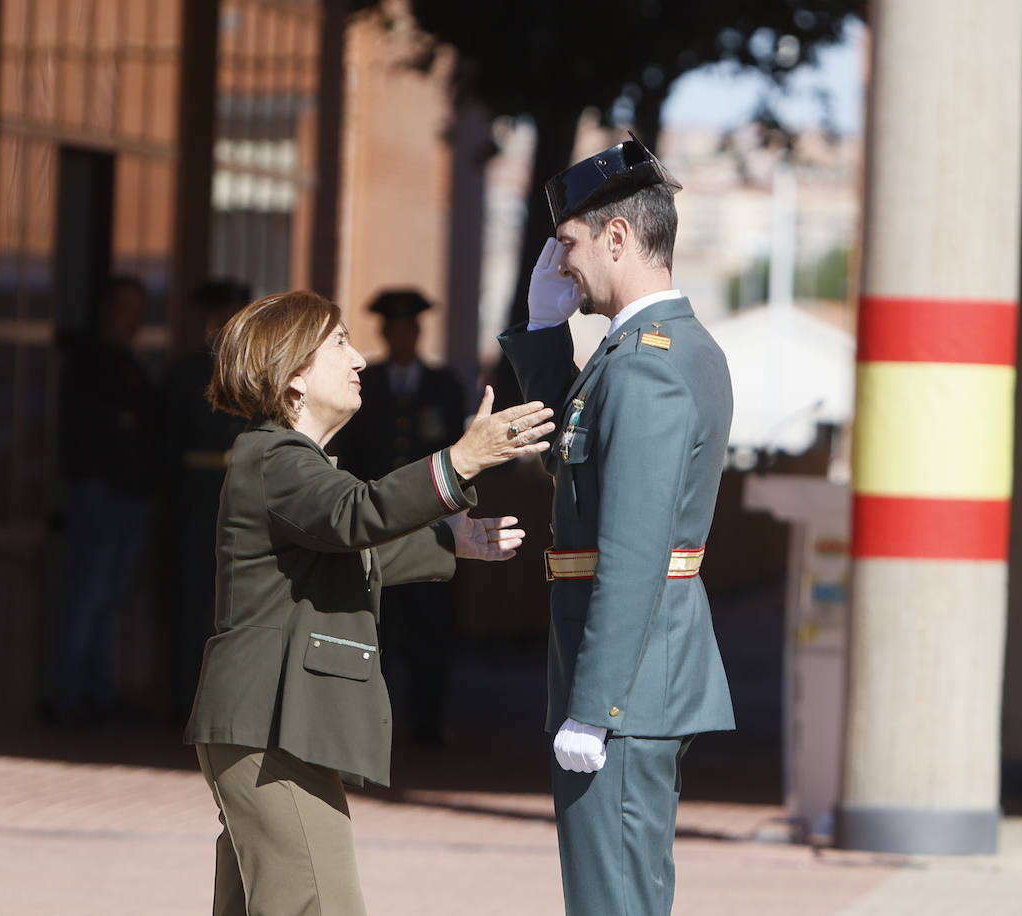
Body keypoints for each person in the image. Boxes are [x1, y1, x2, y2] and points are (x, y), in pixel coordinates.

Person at [184, 289, 554, 916]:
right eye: (338, 344)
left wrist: (449, 540)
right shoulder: (276, 457)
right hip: (272, 723)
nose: (359, 359)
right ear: (292, 373)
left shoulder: (280, 460)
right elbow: (354, 516)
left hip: (271, 723)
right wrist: (462, 459)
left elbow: (347, 548)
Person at [498, 134, 735, 916]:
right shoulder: (647, 352)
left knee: (613, 903)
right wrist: (539, 338)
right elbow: (578, 467)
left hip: (625, 690)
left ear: (618, 236)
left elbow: (633, 549)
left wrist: (593, 709)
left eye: (567, 245)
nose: (562, 264)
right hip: (635, 678)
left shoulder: (645, 363)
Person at [329, 289, 467, 745]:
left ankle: (427, 723)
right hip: (375, 518)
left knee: (431, 626)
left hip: (430, 517)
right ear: (386, 333)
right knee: (379, 625)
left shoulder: (443, 384)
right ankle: (374, 724)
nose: (403, 336)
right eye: (395, 329)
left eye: (410, 328)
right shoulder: (364, 381)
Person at [53, 274, 161, 725]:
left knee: (111, 599)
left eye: (138, 311)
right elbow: (94, 430)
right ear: (106, 312)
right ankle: (68, 696)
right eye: (123, 309)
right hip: (100, 493)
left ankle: (97, 693)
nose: (131, 320)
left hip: (129, 494)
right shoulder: (91, 361)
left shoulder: (128, 362)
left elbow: (148, 418)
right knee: (89, 596)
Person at [163, 278, 252, 723]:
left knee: (242, 603)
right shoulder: (185, 372)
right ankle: (183, 699)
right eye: (221, 316)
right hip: (197, 498)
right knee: (190, 598)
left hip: (244, 499)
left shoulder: (257, 372)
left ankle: (230, 702)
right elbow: (167, 443)